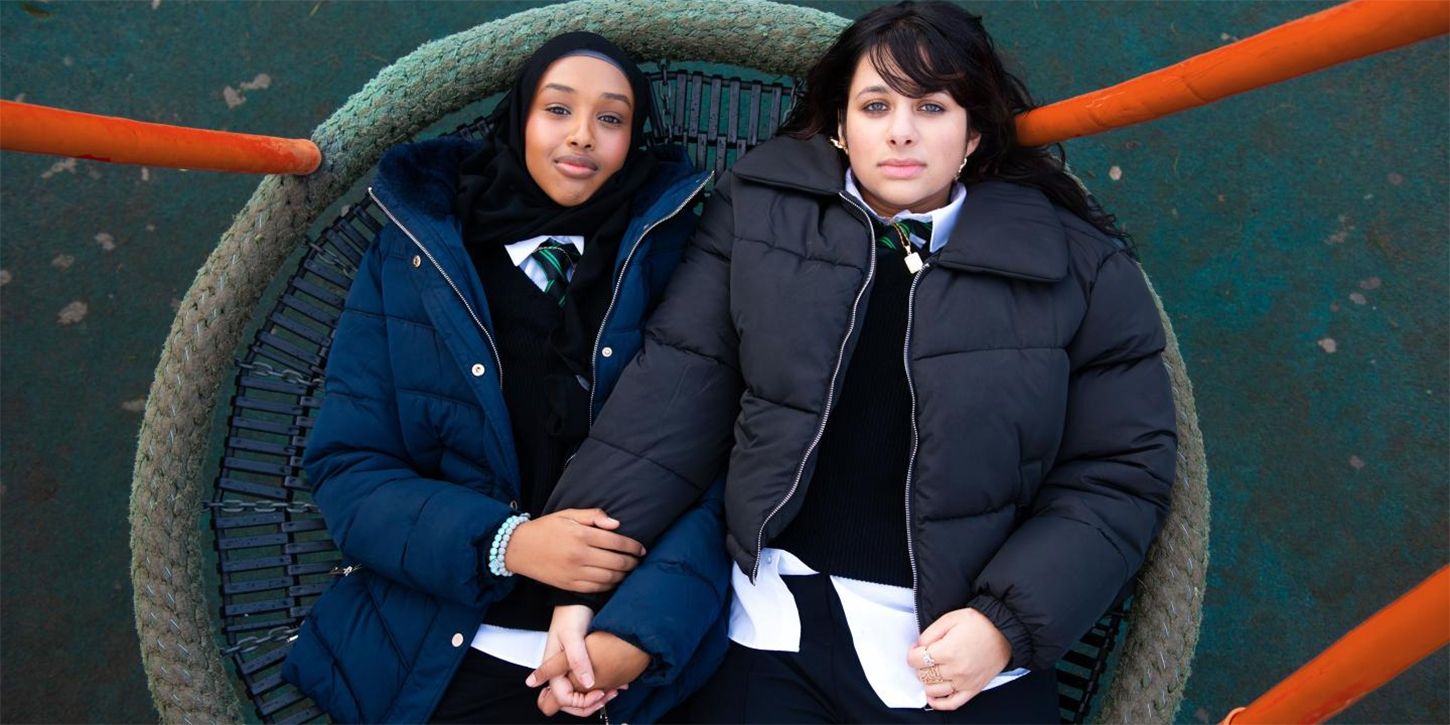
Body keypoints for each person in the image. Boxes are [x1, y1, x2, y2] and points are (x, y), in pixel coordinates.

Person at [538, 3, 1178, 722]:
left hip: (957, 653)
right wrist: (580, 590)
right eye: (877, 105)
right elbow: (671, 400)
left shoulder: (1080, 267)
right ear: (841, 126)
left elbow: (1119, 473)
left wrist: (1004, 626)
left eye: (931, 106)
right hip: (770, 624)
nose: (901, 130)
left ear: (973, 133)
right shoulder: (757, 215)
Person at [282, 32, 730, 724]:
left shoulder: (686, 259)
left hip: (627, 652)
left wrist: (636, 637)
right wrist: (507, 543)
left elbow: (727, 476)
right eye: (558, 110)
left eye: (610, 118)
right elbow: (349, 472)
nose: (582, 135)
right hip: (436, 643)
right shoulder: (416, 258)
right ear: (519, 117)